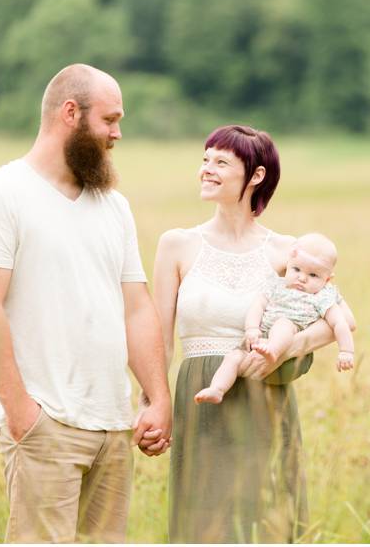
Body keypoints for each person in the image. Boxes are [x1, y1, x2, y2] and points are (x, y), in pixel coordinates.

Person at [0, 63, 172, 542]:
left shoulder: (113, 205)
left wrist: (158, 397)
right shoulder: (0, 196)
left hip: (114, 427)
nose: (118, 133)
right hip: (45, 425)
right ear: (70, 113)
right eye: (109, 120)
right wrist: (22, 415)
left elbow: (135, 306)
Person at [152, 124, 355, 542]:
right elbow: (161, 338)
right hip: (201, 398)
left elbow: (339, 318)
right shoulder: (177, 244)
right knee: (204, 526)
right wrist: (153, 402)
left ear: (256, 176)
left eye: (221, 162)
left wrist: (289, 347)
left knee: (266, 521)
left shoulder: (287, 251)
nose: (206, 169)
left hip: (265, 397)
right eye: (205, 159)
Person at [196, 233, 356, 404]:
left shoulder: (321, 297)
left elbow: (340, 323)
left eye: (313, 275)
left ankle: (273, 350)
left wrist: (346, 351)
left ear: (327, 279)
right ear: (288, 264)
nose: (302, 278)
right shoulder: (276, 285)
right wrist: (252, 329)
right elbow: (258, 306)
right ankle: (217, 389)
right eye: (296, 270)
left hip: (287, 341)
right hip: (257, 343)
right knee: (233, 357)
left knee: (283, 324)